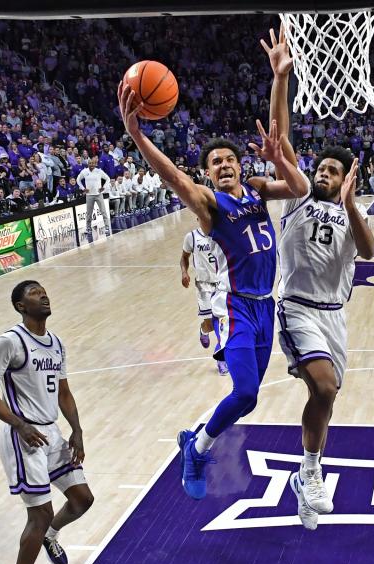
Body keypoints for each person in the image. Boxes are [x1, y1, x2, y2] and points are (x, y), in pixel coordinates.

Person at [117, 39, 309, 501]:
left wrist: (280, 78)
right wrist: (138, 135)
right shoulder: (210, 205)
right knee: (244, 393)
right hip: (239, 307)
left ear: (241, 167)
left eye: (229, 160)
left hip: (269, 308)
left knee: (248, 398)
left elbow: (300, 183)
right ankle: (197, 449)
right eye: (214, 163)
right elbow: (174, 179)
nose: (223, 166)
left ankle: (195, 436)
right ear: (208, 174)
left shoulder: (259, 190)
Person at [261, 27, 374, 529]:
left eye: (335, 170)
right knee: (324, 388)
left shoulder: (356, 211)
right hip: (298, 307)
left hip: (335, 316)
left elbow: (369, 252)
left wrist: (351, 204)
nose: (325, 174)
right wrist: (281, 78)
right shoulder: (297, 195)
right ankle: (309, 472)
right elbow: (280, 137)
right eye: (322, 167)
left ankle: (307, 475)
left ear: (349, 179)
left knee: (324, 397)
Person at [0, 280, 94, 564]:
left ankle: (50, 536)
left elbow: (64, 393)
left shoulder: (55, 343)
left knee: (83, 499)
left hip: (51, 433)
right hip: (23, 436)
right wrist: (19, 424)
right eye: (34, 293)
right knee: (39, 512)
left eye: (45, 291)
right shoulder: (10, 342)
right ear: (20, 306)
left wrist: (77, 430)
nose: (44, 294)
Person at [181, 224, 228, 376]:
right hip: (203, 285)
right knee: (210, 325)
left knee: (222, 322)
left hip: (222, 284)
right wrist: (184, 272)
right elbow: (184, 257)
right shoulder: (192, 237)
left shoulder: (222, 232)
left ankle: (221, 360)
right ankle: (203, 329)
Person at [76, 156, 111, 239]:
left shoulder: (99, 171)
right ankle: (88, 228)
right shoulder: (84, 171)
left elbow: (108, 179)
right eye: (90, 163)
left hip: (98, 194)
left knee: (103, 211)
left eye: (93, 163)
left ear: (95, 164)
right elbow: (78, 180)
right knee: (89, 213)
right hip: (89, 196)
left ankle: (107, 227)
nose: (91, 165)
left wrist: (104, 187)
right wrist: (83, 189)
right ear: (88, 164)